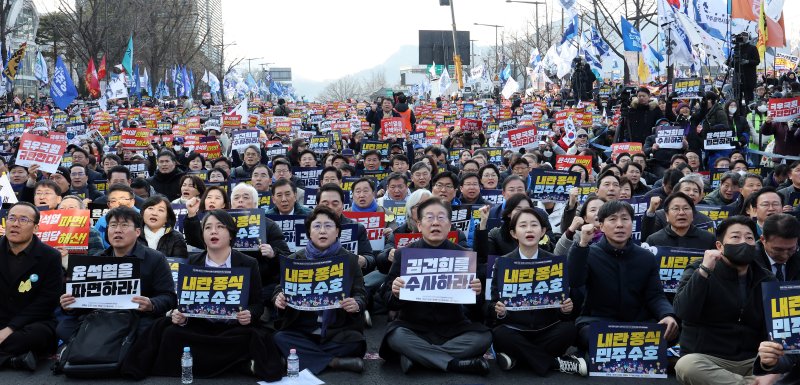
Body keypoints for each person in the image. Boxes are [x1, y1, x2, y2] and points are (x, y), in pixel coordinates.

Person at [121, 210, 283, 381]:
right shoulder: (192, 262)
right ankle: (235, 365)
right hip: (200, 325)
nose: (213, 231)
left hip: (233, 327)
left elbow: (257, 304)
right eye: (208, 228)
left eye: (220, 227)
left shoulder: (248, 263)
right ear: (203, 235)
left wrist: (249, 314)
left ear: (231, 234)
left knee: (253, 338)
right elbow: (183, 302)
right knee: (171, 333)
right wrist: (180, 315)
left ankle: (215, 364)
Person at [380, 197, 492, 375]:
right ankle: (454, 364)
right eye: (429, 218)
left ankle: (418, 358)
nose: (435, 223)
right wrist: (395, 292)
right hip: (413, 326)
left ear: (449, 225)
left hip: (453, 326)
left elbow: (477, 309)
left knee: (483, 337)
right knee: (395, 336)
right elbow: (388, 302)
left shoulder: (463, 256)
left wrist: (477, 293)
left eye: (441, 218)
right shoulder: (404, 255)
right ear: (419, 225)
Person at [673, 216, 775, 385]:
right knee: (686, 366)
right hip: (708, 359)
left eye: (749, 238)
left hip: (752, 360)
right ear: (719, 246)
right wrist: (704, 271)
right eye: (735, 237)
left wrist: (770, 360)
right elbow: (684, 311)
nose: (743, 242)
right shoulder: (699, 270)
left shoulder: (767, 279)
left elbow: (774, 329)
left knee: (787, 365)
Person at [568, 200, 678, 350]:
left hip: (638, 324)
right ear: (601, 226)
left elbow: (656, 295)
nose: (619, 224)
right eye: (612, 219)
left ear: (632, 224)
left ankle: (621, 347)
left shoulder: (646, 257)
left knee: (671, 329)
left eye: (625, 219)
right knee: (587, 334)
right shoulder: (588, 253)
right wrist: (582, 244)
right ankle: (639, 349)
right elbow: (574, 281)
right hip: (599, 321)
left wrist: (667, 314)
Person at [490, 208, 586, 376]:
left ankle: (518, 359)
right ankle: (555, 362)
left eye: (534, 225)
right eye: (523, 225)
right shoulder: (503, 263)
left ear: (542, 231)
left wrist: (565, 310)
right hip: (515, 329)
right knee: (499, 334)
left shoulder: (553, 262)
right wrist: (500, 312)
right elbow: (492, 304)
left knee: (568, 330)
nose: (529, 230)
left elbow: (562, 309)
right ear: (513, 233)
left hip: (546, 329)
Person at [57, 207, 176, 341]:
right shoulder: (95, 260)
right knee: (64, 327)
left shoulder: (155, 258)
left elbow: (169, 296)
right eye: (113, 225)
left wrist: (151, 304)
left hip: (137, 318)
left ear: (137, 232)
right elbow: (80, 304)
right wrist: (70, 305)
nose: (117, 230)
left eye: (124, 225)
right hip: (99, 318)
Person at [272, 206, 367, 374]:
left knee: (356, 342)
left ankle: (300, 358)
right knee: (279, 338)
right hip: (303, 329)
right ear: (309, 231)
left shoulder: (350, 260)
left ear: (337, 231)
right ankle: (334, 362)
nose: (322, 231)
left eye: (328, 226)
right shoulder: (295, 259)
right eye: (317, 226)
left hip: (336, 330)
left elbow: (361, 293)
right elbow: (280, 288)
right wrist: (278, 299)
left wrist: (356, 303)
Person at [0, 202, 62, 371]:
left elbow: (47, 301)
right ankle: (12, 360)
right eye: (12, 218)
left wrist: (10, 328)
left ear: (35, 228)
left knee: (37, 336)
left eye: (23, 219)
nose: (15, 224)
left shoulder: (50, 256)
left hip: (33, 322)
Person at [644, 193, 716, 249]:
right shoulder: (654, 240)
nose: (681, 213)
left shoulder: (709, 239)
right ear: (666, 215)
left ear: (693, 214)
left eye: (686, 208)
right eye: (676, 208)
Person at [755, 214, 800, 282]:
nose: (784, 256)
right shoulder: (749, 264)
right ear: (763, 239)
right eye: (778, 250)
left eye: (790, 249)